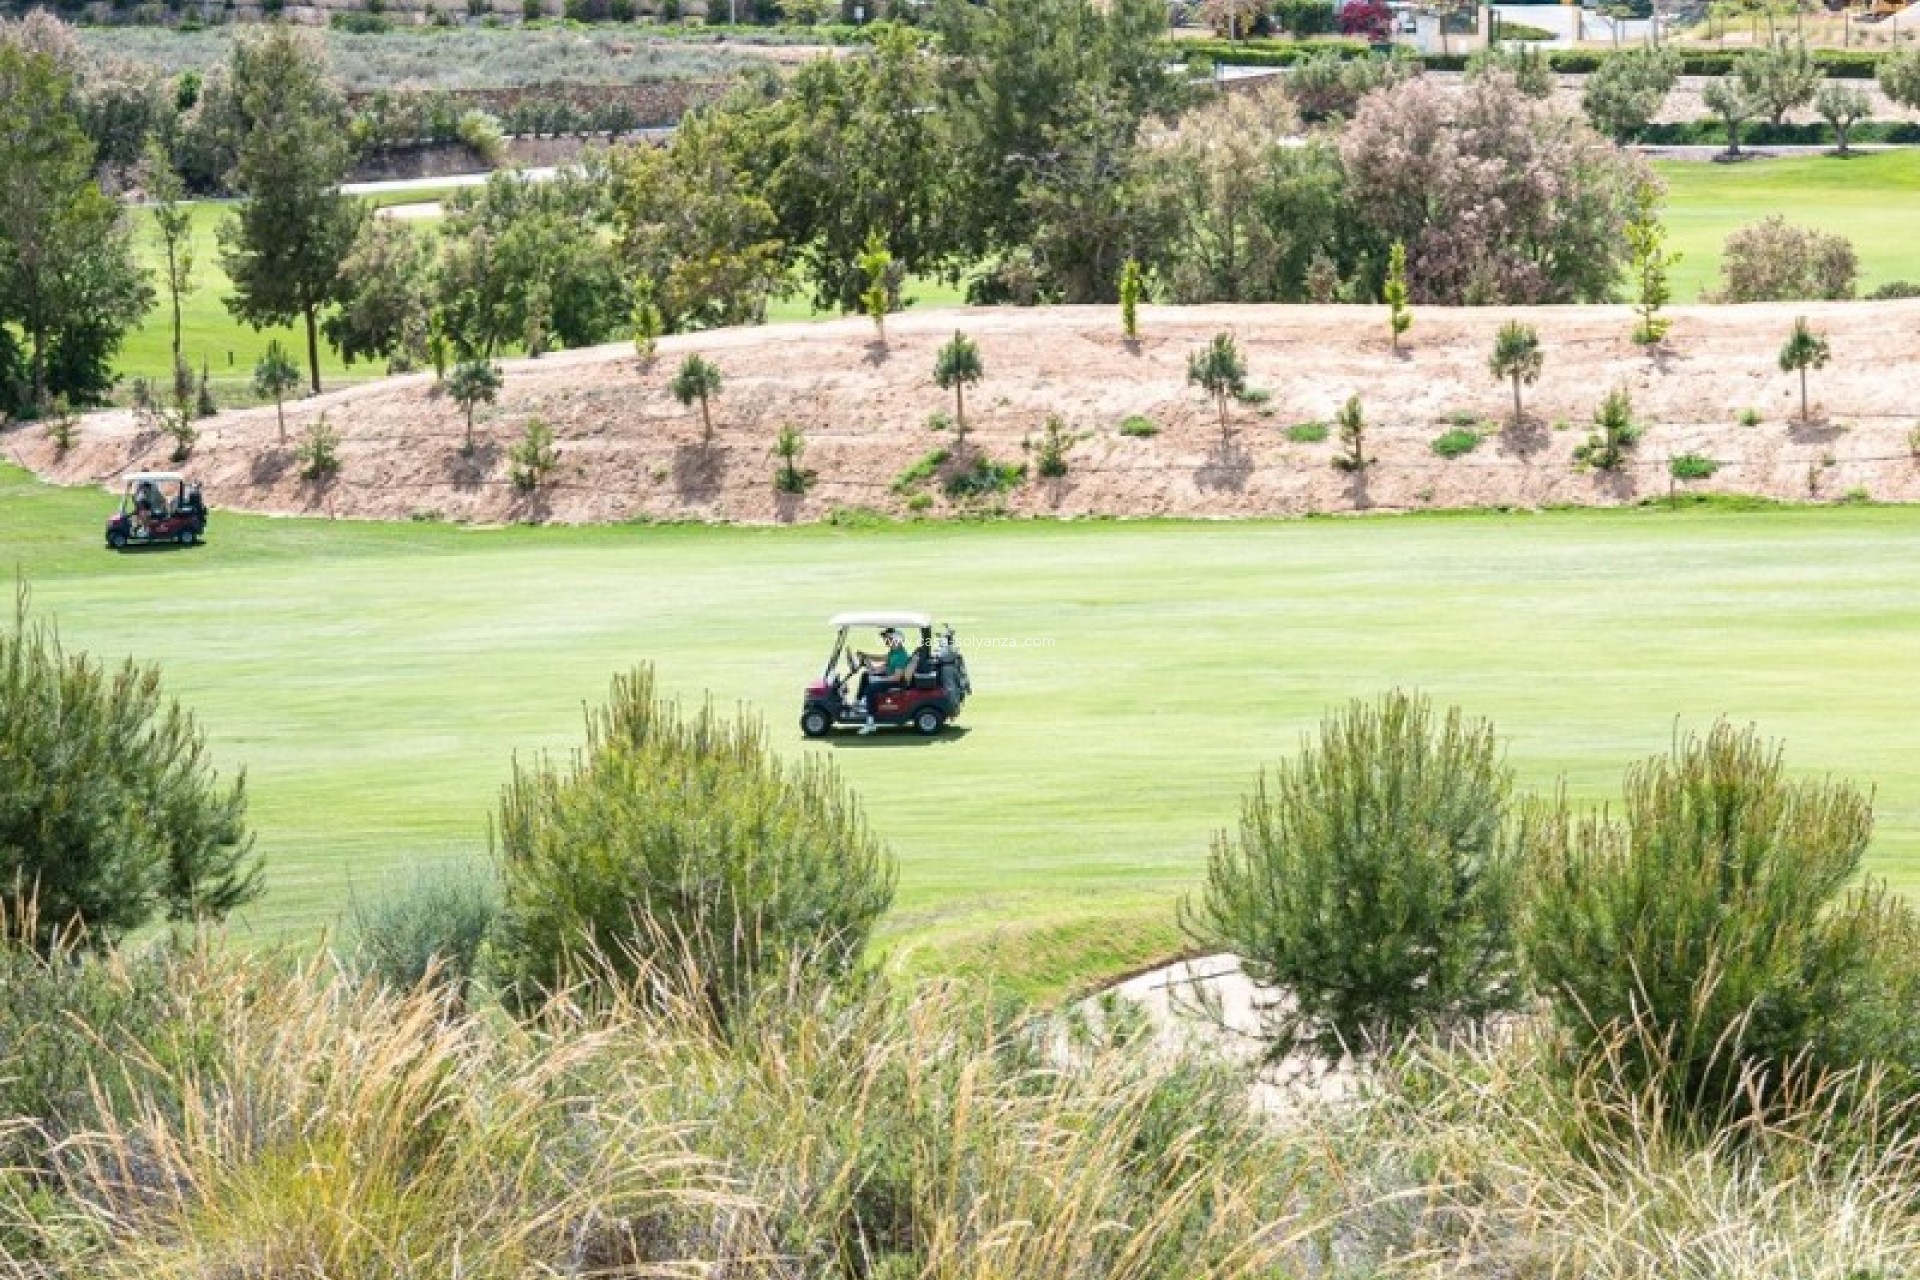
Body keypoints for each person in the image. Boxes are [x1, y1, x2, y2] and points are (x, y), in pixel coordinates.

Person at [853, 627, 916, 734]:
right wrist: (866, 656)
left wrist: (879, 678)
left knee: (870, 689)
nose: (886, 642)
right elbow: (882, 659)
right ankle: (859, 702)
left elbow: (896, 677)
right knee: (865, 675)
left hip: (897, 682)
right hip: (891, 677)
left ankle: (870, 722)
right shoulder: (894, 652)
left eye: (888, 639)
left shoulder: (901, 656)